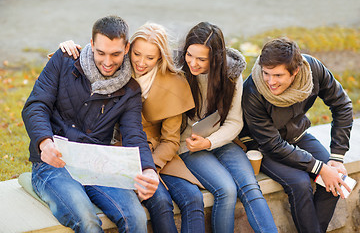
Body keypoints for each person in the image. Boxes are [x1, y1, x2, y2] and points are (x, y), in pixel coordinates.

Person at [58, 22, 205, 233]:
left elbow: (170, 140)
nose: (141, 63)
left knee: (192, 197)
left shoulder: (174, 84)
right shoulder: (114, 66)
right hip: (120, 150)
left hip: (158, 155)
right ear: (128, 49)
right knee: (160, 201)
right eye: (137, 54)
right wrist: (69, 46)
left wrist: (150, 167)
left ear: (161, 58)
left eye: (150, 58)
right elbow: (96, 54)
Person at [22, 15, 159, 233]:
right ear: (92, 44)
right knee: (87, 220)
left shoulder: (130, 90)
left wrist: (149, 169)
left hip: (97, 165)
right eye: (101, 52)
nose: (107, 61)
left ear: (127, 48)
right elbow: (35, 105)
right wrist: (44, 143)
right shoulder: (64, 60)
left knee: (135, 217)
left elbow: (134, 134)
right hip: (54, 162)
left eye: (115, 54)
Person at [240, 37, 353, 233]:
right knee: (300, 184)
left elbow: (342, 105)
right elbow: (272, 144)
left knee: (335, 178)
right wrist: (319, 167)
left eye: (277, 75)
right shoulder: (253, 90)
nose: (270, 81)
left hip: (297, 134)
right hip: (262, 145)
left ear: (295, 71)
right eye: (266, 73)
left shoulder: (313, 70)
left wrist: (336, 156)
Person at [177, 22, 277, 233]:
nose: (193, 63)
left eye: (201, 59)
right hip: (189, 144)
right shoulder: (178, 73)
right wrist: (201, 143)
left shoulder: (231, 75)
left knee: (250, 187)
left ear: (215, 58)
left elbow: (234, 122)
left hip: (221, 140)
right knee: (226, 190)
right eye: (189, 55)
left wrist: (211, 141)